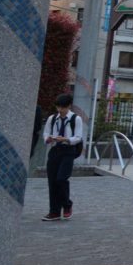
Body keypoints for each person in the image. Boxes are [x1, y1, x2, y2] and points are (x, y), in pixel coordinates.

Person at [42, 93, 84, 221]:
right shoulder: (52, 118)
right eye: (58, 107)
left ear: (69, 106)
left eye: (63, 108)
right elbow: (46, 133)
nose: (60, 110)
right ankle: (54, 212)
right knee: (52, 181)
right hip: (55, 150)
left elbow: (78, 137)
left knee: (61, 179)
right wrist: (48, 139)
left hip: (68, 151)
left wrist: (66, 139)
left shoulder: (76, 119)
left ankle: (67, 205)